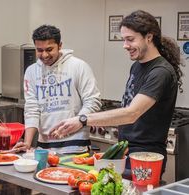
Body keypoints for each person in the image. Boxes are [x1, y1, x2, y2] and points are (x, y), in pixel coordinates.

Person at [49, 10, 184, 177]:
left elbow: (131, 113)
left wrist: (83, 119)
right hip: (126, 150)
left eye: (130, 39)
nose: (125, 45)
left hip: (146, 156)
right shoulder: (137, 65)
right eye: (123, 39)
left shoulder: (160, 72)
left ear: (149, 37)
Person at [13, 24, 101, 154]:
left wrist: (78, 122)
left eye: (49, 49)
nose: (44, 55)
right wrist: (27, 143)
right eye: (39, 50)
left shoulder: (79, 66)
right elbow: (32, 109)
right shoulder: (31, 72)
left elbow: (93, 101)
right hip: (44, 147)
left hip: (76, 146)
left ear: (60, 46)